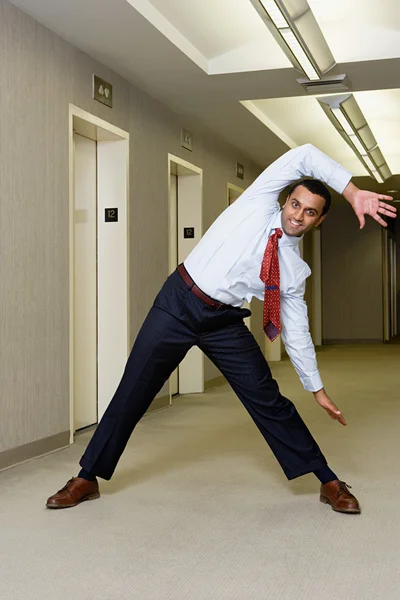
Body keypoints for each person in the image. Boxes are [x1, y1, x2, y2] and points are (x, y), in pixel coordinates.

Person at [46, 144, 396, 513]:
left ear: (318, 221)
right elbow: (305, 153)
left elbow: (296, 331)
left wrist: (317, 388)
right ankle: (87, 478)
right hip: (178, 301)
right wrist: (352, 191)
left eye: (311, 212)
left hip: (223, 322)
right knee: (133, 390)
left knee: (269, 400)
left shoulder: (294, 270)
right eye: (296, 204)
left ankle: (328, 481)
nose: (299, 215)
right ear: (285, 200)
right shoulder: (257, 202)